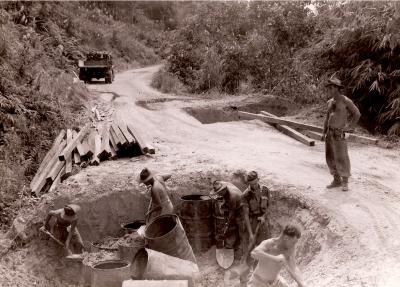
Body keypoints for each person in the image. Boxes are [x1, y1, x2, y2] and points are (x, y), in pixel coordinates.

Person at [321, 77, 361, 191]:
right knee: (330, 156)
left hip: (340, 133)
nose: (329, 89)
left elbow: (357, 113)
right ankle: (336, 180)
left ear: (337, 88)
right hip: (330, 132)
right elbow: (327, 118)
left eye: (331, 87)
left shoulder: (345, 100)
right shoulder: (329, 102)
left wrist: (350, 128)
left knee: (342, 157)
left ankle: (345, 182)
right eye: (328, 87)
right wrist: (323, 132)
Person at [242, 171, 271, 254]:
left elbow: (269, 206)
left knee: (266, 241)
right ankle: (249, 262)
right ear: (249, 183)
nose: (254, 186)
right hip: (252, 221)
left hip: (263, 219)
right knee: (252, 243)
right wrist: (251, 234)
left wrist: (264, 217)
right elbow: (245, 215)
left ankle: (265, 260)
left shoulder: (265, 190)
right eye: (252, 184)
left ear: (258, 179)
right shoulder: (246, 195)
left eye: (255, 183)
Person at [210, 180, 243, 253]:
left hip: (242, 207)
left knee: (236, 224)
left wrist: (227, 224)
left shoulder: (232, 196)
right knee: (229, 223)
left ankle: (238, 245)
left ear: (224, 189)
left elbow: (232, 213)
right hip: (234, 204)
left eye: (220, 193)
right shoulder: (222, 184)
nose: (219, 194)